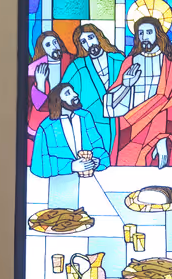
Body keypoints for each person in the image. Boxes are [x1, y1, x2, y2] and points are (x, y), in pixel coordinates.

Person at [104, 16, 172, 167]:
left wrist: (163, 131)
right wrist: (126, 85)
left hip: (162, 125)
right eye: (141, 33)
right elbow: (111, 101)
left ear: (158, 34)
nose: (145, 37)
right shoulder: (130, 61)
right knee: (129, 163)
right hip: (131, 123)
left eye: (149, 32)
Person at [60, 23, 123, 164]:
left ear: (99, 37)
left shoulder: (118, 60)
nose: (89, 44)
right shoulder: (77, 66)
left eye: (90, 37)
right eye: (83, 42)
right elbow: (62, 94)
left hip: (121, 123)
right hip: (91, 125)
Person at [30, 82, 109, 179]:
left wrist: (96, 160)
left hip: (91, 180)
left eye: (73, 91)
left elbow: (100, 149)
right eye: (68, 93)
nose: (75, 95)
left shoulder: (85, 117)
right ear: (58, 101)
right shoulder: (46, 128)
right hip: (59, 184)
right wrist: (71, 166)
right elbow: (38, 166)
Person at [24, 30, 70, 137]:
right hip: (43, 119)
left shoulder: (70, 61)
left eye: (55, 42)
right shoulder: (34, 69)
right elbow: (36, 104)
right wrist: (40, 83)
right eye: (48, 45)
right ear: (43, 49)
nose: (53, 47)